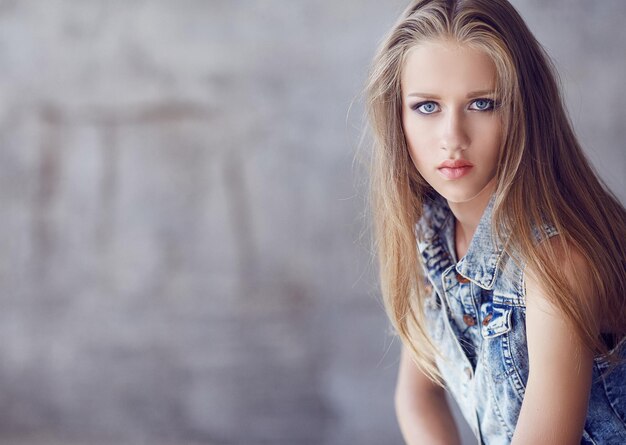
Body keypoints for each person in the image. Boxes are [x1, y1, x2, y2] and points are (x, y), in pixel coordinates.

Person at [362, 0, 626, 444]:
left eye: (482, 104)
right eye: (427, 107)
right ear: (397, 117)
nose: (453, 138)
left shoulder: (558, 264)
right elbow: (416, 396)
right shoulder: (433, 235)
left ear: (524, 111)